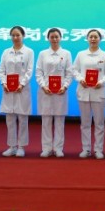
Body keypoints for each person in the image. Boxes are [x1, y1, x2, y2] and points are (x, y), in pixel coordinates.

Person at [72, 29, 105, 159]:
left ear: (100, 39)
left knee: (99, 123)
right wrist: (80, 79)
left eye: (96, 37)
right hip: (84, 91)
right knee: (85, 123)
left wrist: (102, 81)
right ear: (87, 38)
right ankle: (86, 149)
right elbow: (74, 70)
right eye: (91, 37)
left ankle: (98, 149)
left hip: (98, 92)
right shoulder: (81, 54)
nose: (93, 39)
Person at [35, 27, 73, 158]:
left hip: (60, 92)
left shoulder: (66, 53)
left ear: (60, 38)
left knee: (59, 121)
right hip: (46, 91)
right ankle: (46, 148)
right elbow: (38, 72)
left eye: (57, 36)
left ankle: (58, 148)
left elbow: (69, 73)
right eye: (52, 37)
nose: (54, 39)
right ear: (48, 38)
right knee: (46, 121)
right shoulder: (43, 54)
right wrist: (43, 86)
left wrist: (65, 86)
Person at [0, 26, 34, 158]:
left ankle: (21, 147)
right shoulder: (6, 52)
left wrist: (22, 84)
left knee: (23, 119)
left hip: (22, 89)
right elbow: (1, 70)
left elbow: (29, 71)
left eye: (18, 35)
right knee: (10, 119)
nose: (15, 37)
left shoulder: (29, 52)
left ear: (23, 36)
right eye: (13, 35)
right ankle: (12, 146)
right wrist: (3, 83)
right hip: (8, 89)